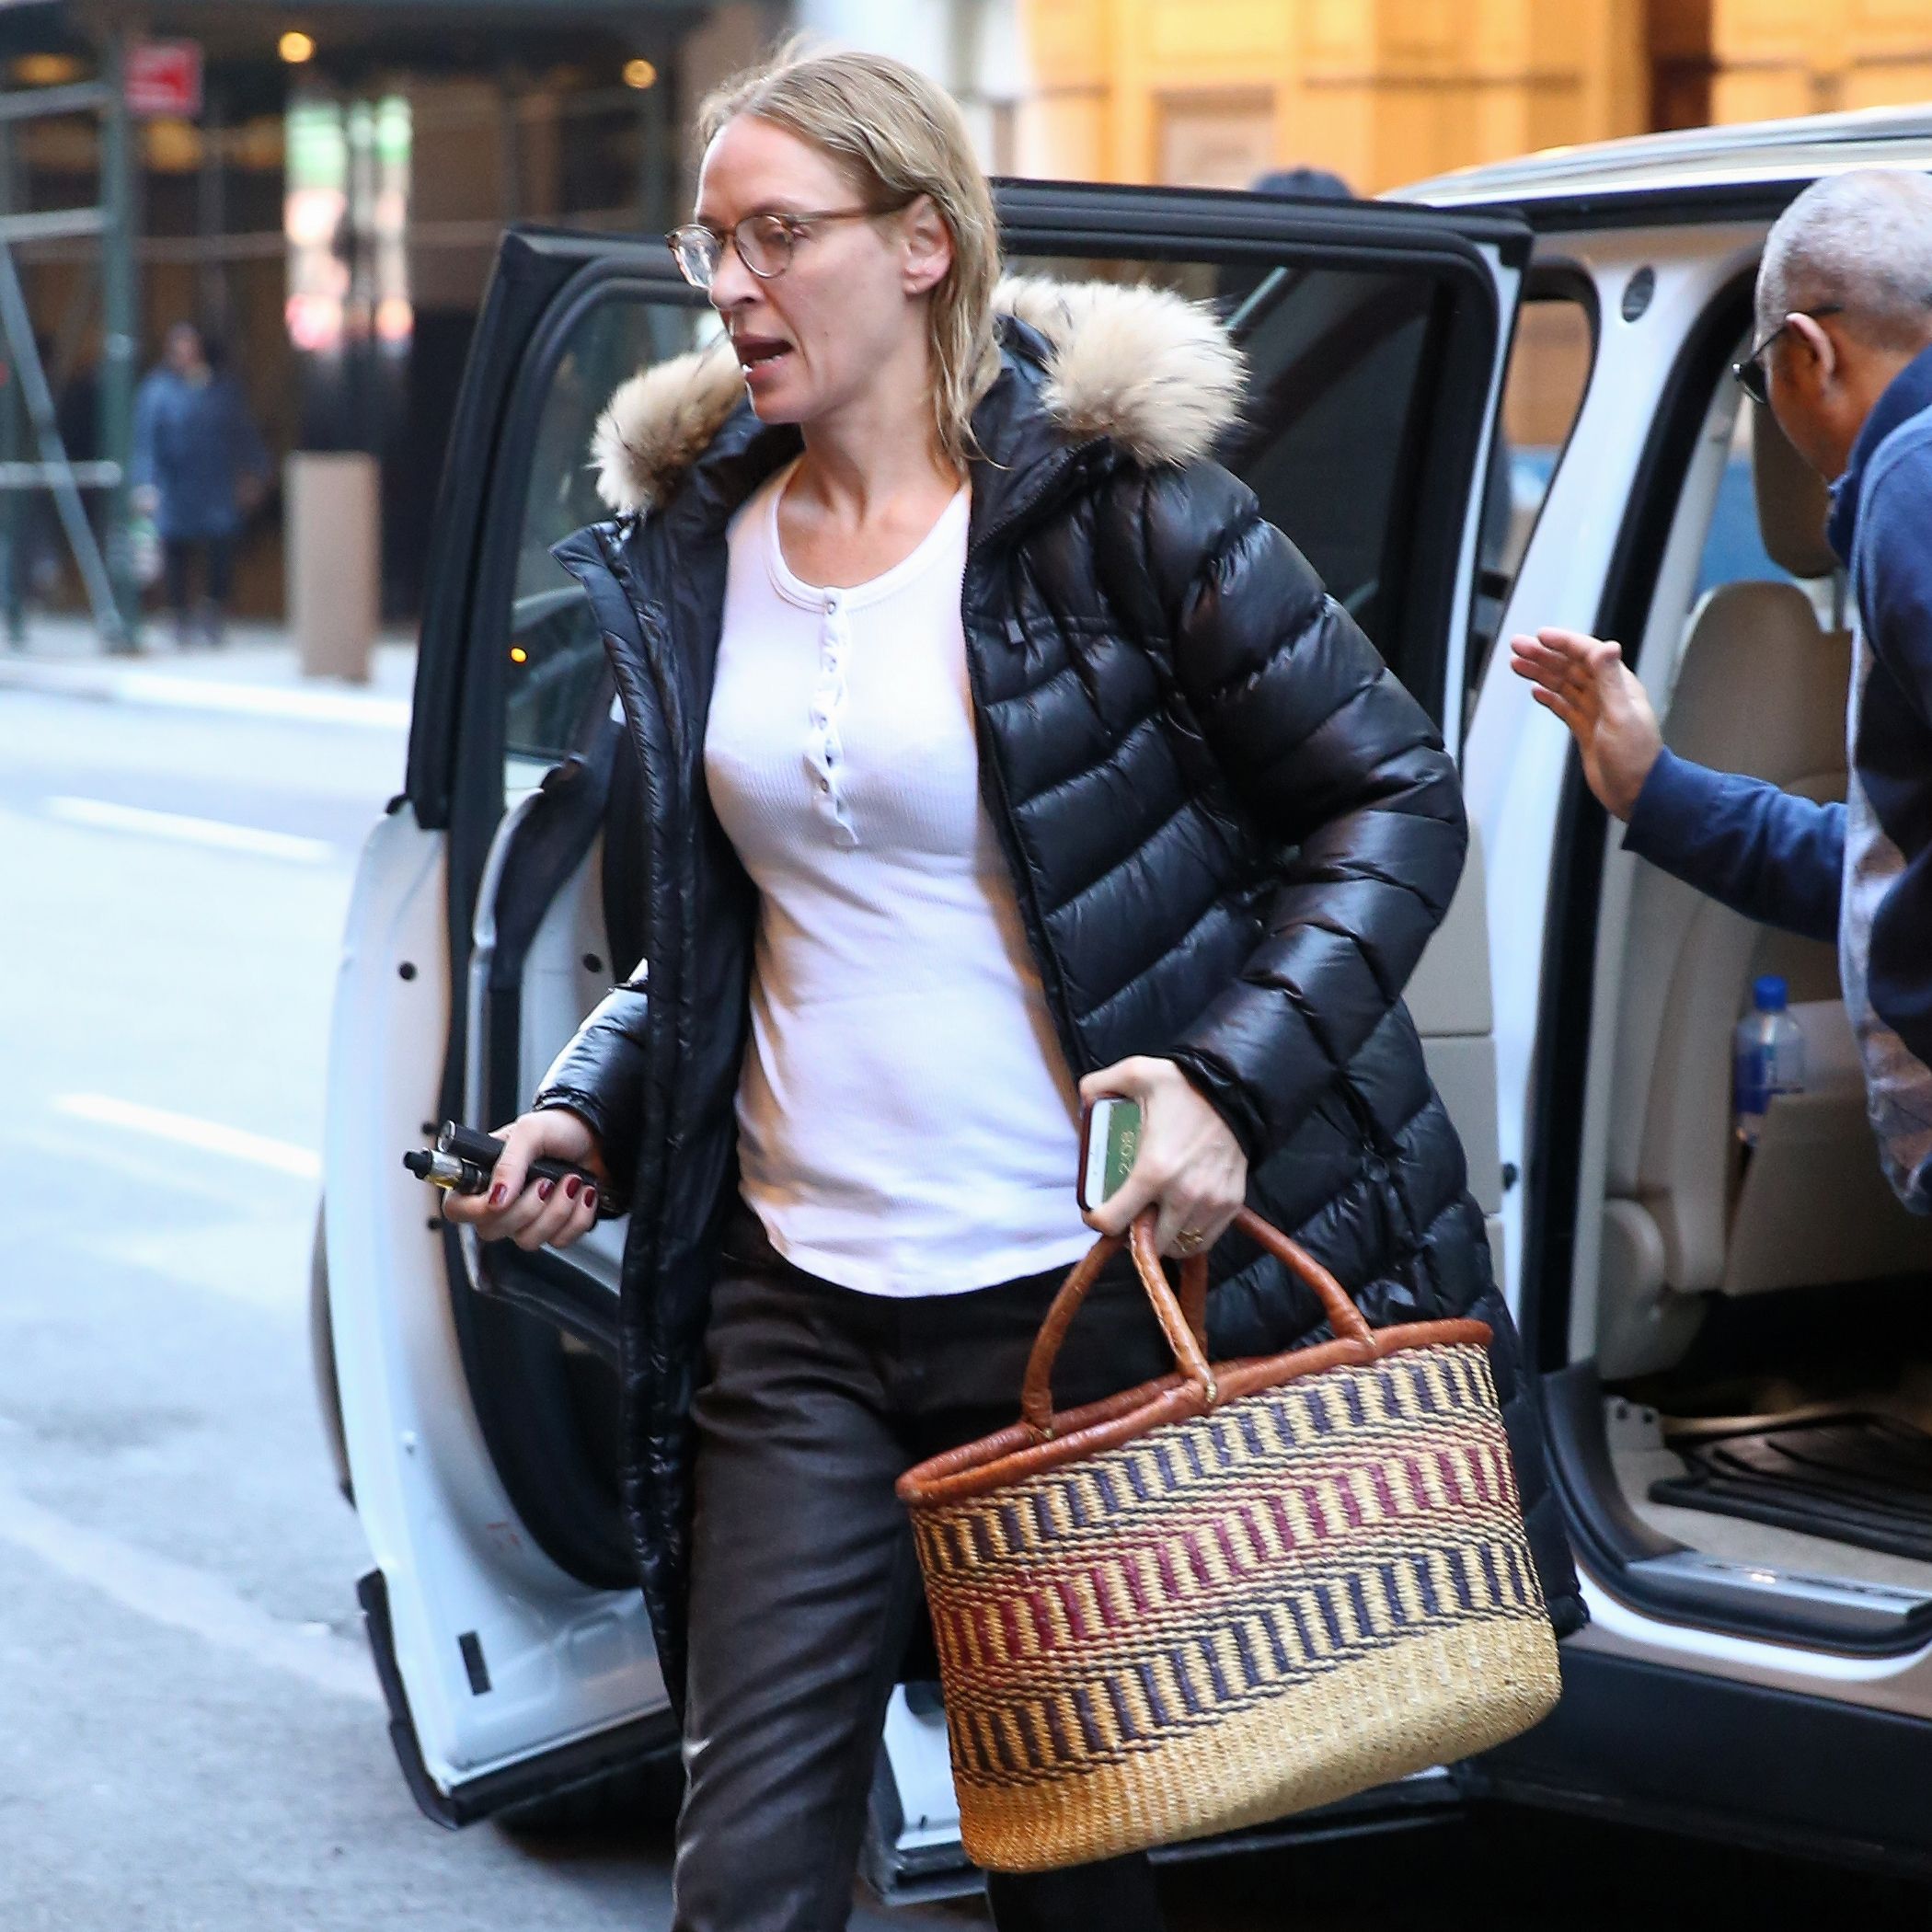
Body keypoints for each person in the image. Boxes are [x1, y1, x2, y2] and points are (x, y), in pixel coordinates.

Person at [446, 44, 1581, 1932]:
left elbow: (1393, 794)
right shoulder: (689, 558)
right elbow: (734, 920)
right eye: (707, 238)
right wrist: (590, 1096)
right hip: (792, 1308)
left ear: (919, 244)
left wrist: (1225, 1080)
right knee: (748, 1871)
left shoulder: (1119, 516)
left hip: (1063, 1311)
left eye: (776, 234)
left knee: (1067, 1863)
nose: (727, 282)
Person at [1511, 168, 1932, 1210]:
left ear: (1806, 352)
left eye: (1758, 373)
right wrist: (1656, 790)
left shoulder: (1910, 483)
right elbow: (1886, 880)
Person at [130, 322, 270, 647]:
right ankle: (179, 613)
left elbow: (242, 432)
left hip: (214, 481)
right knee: (176, 549)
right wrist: (145, 484)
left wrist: (255, 471)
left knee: (220, 547)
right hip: (176, 484)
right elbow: (146, 442)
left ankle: (213, 609)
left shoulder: (221, 390)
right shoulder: (158, 391)